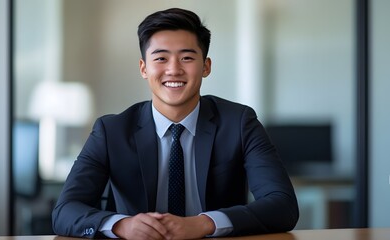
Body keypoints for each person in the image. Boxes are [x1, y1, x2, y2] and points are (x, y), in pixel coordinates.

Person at [52, 7, 299, 239]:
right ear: (143, 68)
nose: (173, 70)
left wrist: (203, 223)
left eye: (187, 58)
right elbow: (64, 211)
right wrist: (121, 225)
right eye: (160, 58)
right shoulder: (111, 131)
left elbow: (282, 205)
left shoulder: (239, 123)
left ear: (206, 66)